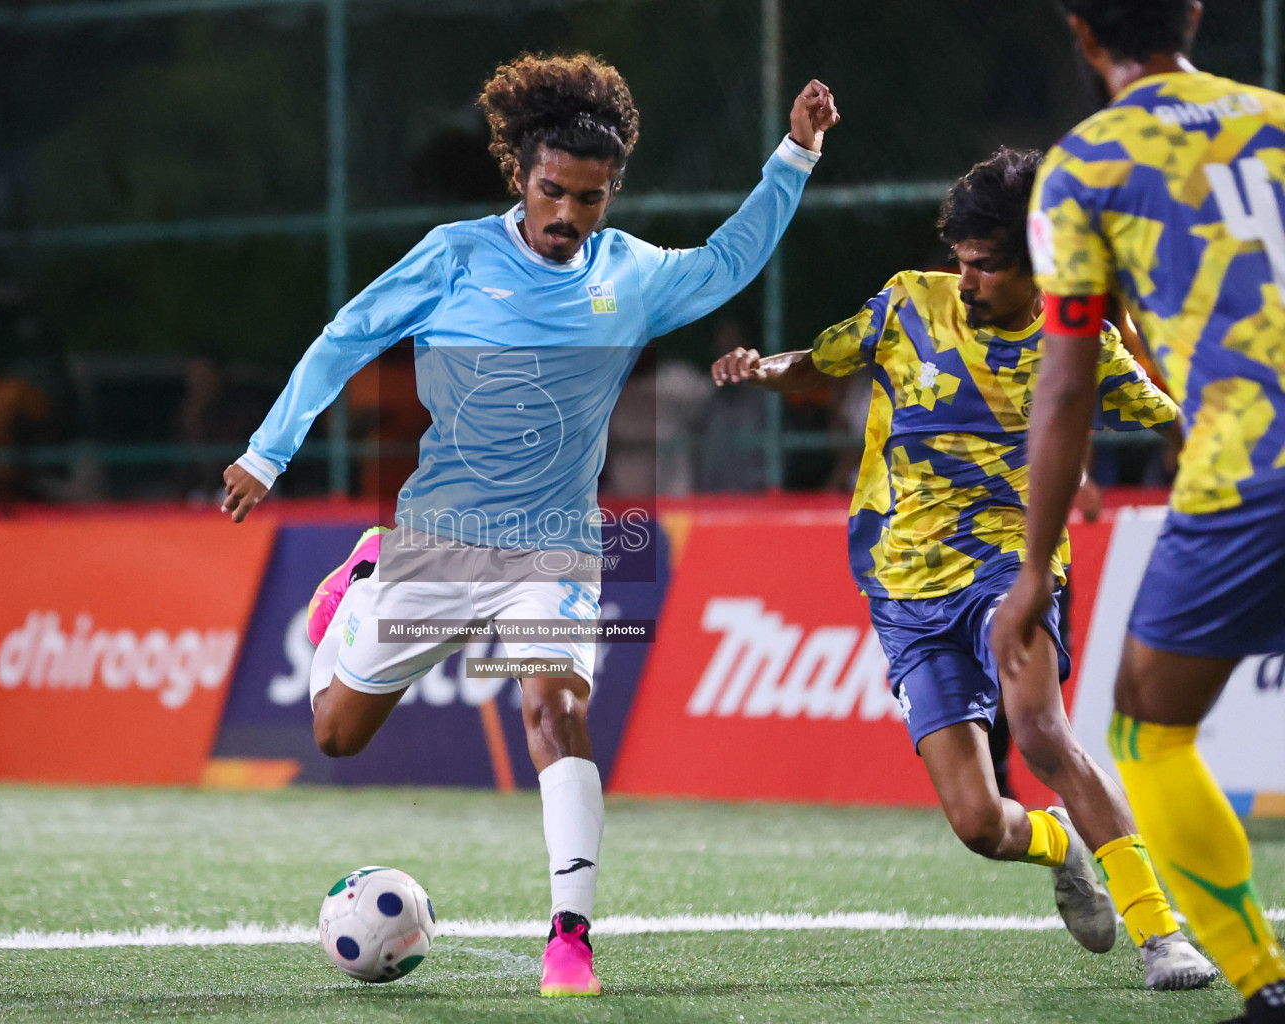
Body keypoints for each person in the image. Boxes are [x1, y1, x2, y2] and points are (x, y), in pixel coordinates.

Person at [219, 52, 839, 997]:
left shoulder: (631, 275)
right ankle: (356, 585)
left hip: (554, 545)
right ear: (520, 173)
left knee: (557, 710)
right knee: (337, 735)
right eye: (553, 191)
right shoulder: (456, 256)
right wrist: (267, 453)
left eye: (589, 200)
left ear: (610, 193)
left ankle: (570, 936)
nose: (567, 216)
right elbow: (347, 333)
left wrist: (794, 154)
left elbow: (728, 261)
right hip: (437, 539)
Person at [712, 146, 1215, 990]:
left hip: (1009, 572)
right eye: (962, 262)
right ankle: (1058, 842)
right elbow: (820, 362)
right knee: (980, 823)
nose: (967, 279)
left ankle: (1161, 933)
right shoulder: (909, 302)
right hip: (903, 586)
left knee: (1043, 732)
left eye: (986, 267)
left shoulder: (1080, 338)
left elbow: (1174, 424)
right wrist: (763, 370)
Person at [991, 2, 1285, 1020]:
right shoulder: (1277, 117)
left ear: (1082, 33)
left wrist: (1034, 567)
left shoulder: (1086, 168)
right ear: (1194, 15)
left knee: (1150, 731)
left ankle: (1263, 979)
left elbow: (1067, 384)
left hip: (1251, 468)